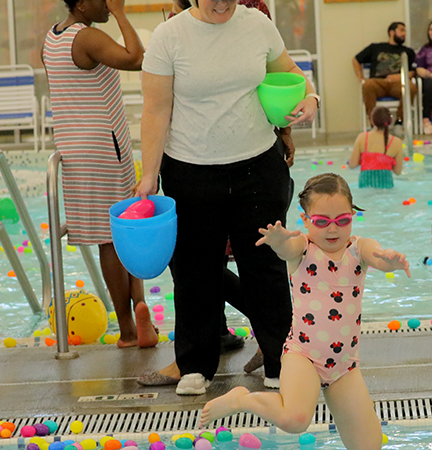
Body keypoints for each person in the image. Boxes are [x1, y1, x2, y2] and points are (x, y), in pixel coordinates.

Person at [136, 0, 317, 395]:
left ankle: (278, 362)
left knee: (265, 268)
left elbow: (289, 72)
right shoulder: (170, 36)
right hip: (190, 169)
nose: (223, 4)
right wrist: (149, 174)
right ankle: (196, 365)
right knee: (195, 270)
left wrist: (313, 97)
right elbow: (155, 110)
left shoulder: (256, 25)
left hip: (257, 167)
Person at [200, 174, 410, 450]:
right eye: (322, 221)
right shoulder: (304, 246)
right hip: (304, 355)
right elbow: (288, 248)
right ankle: (242, 399)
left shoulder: (359, 248)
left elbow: (378, 256)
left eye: (343, 220)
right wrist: (277, 241)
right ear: (306, 219)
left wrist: (390, 261)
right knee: (296, 420)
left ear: (352, 217)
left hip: (344, 365)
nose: (333, 229)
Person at [42, 0, 157, 349]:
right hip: (105, 147)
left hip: (75, 148)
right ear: (80, 3)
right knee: (117, 233)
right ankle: (130, 324)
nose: (110, 2)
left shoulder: (53, 37)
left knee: (113, 232)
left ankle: (135, 319)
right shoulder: (87, 37)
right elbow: (137, 58)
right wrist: (122, 14)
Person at [353, 22, 418, 126]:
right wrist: (360, 77)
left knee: (411, 87)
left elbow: (413, 72)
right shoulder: (375, 47)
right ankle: (374, 123)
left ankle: (399, 122)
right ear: (392, 32)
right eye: (401, 30)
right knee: (367, 85)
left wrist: (400, 77)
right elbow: (356, 60)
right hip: (378, 83)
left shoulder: (408, 52)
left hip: (398, 83)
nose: (404, 33)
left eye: (405, 31)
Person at [348, 107, 404, 189]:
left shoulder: (362, 138)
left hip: (365, 187)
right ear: (389, 122)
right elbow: (398, 171)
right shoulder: (396, 142)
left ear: (372, 121)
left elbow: (352, 165)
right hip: (387, 187)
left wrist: (365, 161)